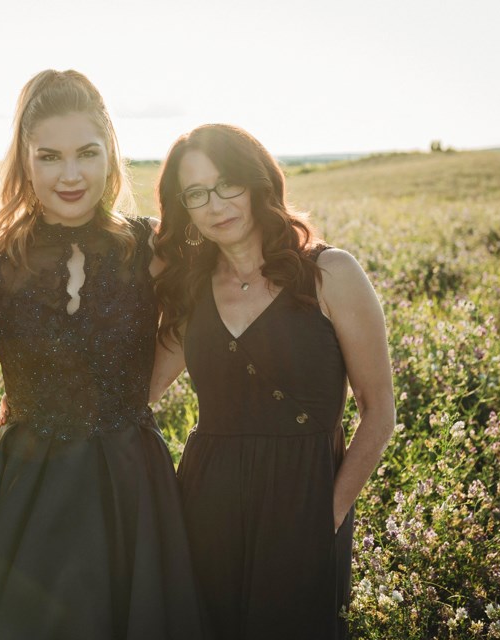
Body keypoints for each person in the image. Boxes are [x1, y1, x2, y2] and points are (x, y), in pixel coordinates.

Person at [0, 70, 205, 640]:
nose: (70, 175)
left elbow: (184, 328)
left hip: (130, 481)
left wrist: (130, 398)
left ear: (110, 154)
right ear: (25, 162)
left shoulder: (154, 249)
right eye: (49, 157)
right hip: (28, 485)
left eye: (86, 153)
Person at [150, 124, 396, 639]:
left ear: (258, 181)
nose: (216, 204)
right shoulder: (191, 290)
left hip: (304, 499)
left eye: (227, 184)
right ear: (184, 207)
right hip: (206, 501)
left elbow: (379, 413)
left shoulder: (331, 273)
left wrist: (325, 514)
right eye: (196, 193)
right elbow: (138, 394)